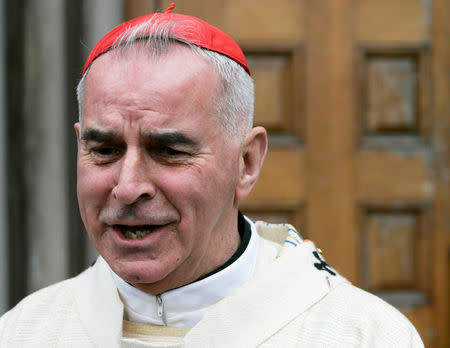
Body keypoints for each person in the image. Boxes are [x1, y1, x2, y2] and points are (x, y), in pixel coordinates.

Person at [0, 4, 423, 347]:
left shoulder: (361, 335)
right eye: (105, 150)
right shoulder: (24, 332)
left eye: (168, 151)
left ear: (247, 163)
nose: (127, 187)